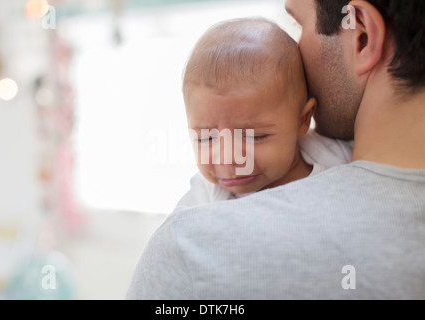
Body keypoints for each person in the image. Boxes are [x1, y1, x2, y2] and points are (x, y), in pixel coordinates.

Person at [127, 0, 425, 300]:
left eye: (299, 25)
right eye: (205, 138)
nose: (229, 159)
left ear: (361, 36)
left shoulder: (191, 252)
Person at [174, 18, 353, 212]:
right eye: (206, 138)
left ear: (303, 120)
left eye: (254, 136)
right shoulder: (204, 198)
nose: (227, 157)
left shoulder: (336, 157)